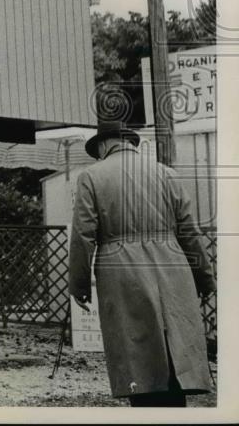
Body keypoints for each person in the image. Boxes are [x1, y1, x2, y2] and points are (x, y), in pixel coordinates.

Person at [68, 118, 215, 407]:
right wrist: (204, 276)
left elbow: (83, 236)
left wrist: (79, 284)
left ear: (104, 145)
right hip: (173, 266)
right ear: (131, 144)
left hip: (121, 268)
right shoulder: (167, 174)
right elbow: (189, 231)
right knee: (175, 342)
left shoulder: (92, 176)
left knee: (137, 348)